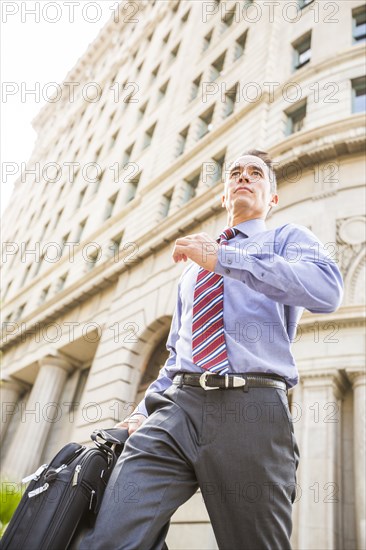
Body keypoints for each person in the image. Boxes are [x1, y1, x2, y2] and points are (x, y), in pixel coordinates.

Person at [80, 150, 343, 550]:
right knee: (108, 539)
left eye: (256, 174)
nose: (244, 177)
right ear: (223, 196)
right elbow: (176, 355)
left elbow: (326, 291)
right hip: (176, 411)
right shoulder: (192, 271)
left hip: (251, 407)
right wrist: (138, 414)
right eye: (235, 172)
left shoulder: (286, 238)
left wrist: (222, 258)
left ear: (272, 198)